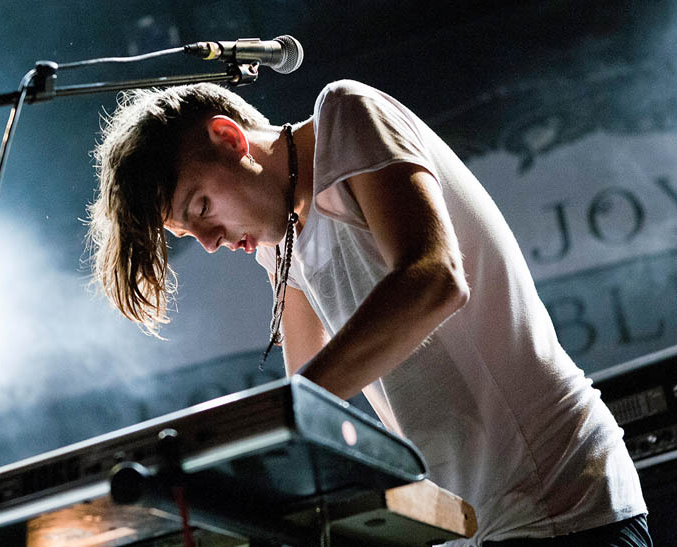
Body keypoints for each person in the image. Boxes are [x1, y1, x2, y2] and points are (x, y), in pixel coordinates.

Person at [86, 79, 650, 545]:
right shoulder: (277, 246)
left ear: (229, 138)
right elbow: (312, 404)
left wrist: (267, 427)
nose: (209, 241)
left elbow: (434, 279)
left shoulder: (345, 119)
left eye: (202, 207)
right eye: (189, 232)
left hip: (565, 502)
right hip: (478, 526)